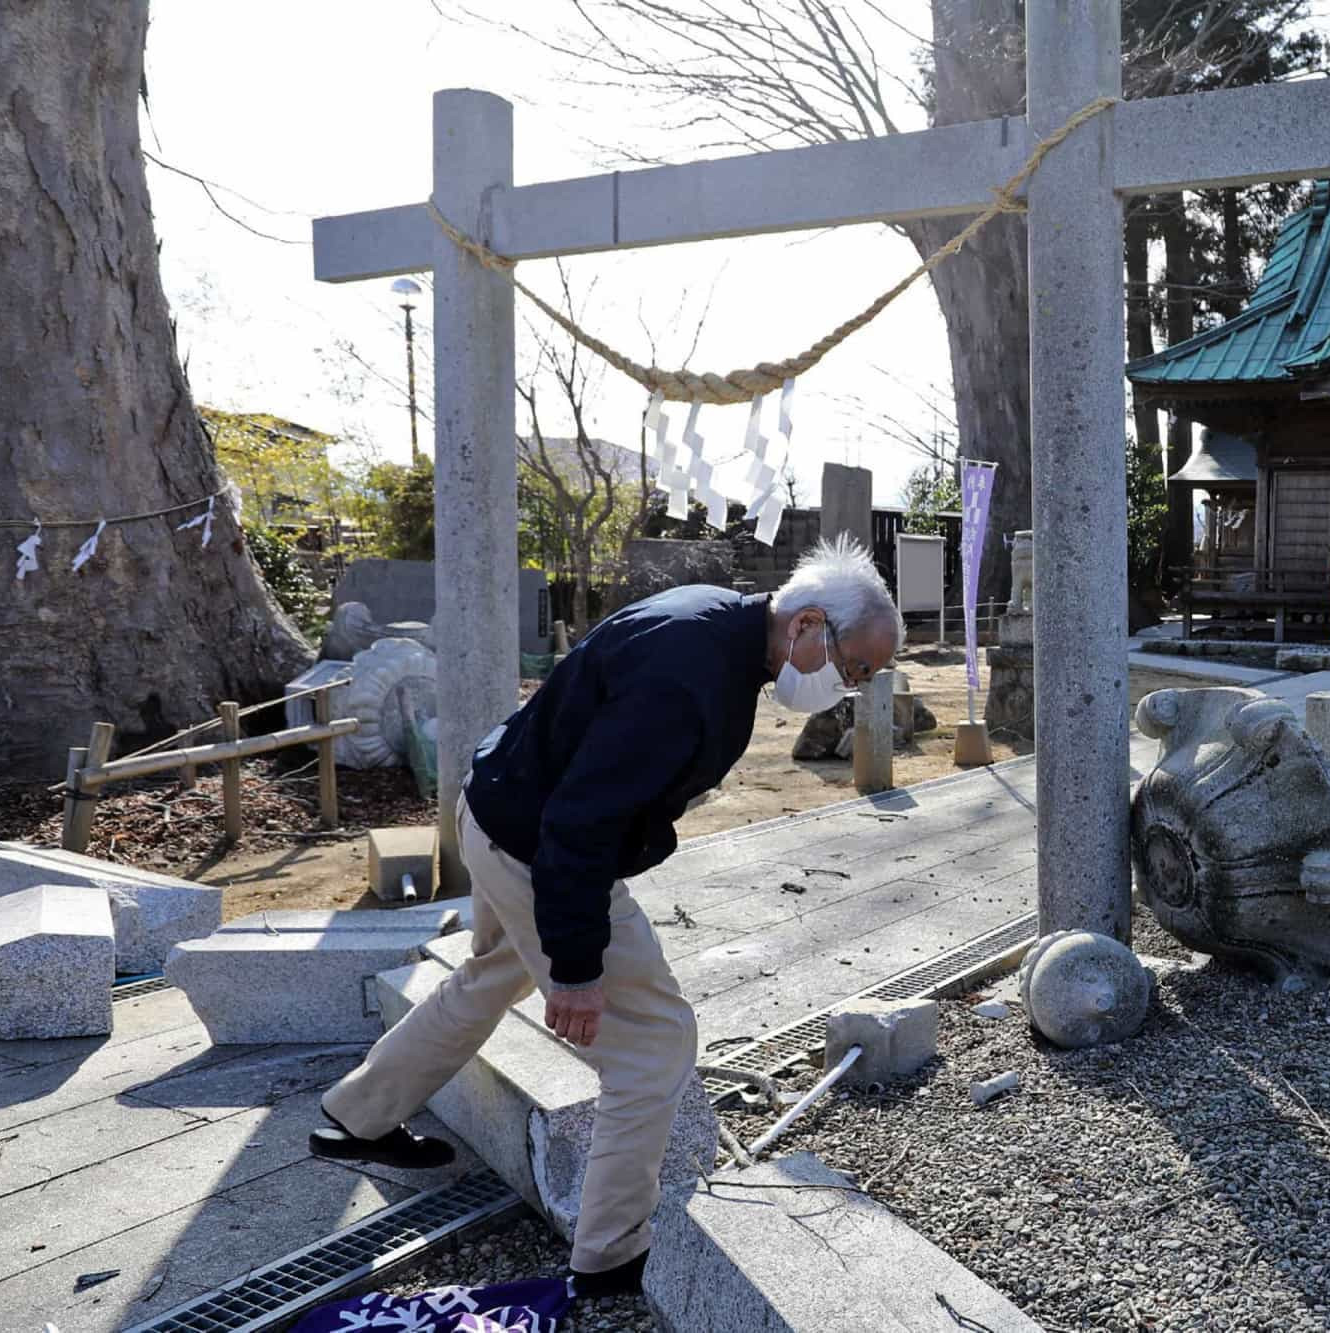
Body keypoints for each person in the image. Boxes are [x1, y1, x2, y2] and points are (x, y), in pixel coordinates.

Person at [308, 538, 902, 1297]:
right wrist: (579, 970)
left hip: (497, 805)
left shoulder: (714, 622)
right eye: (855, 671)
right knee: (655, 1040)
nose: (849, 688)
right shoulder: (689, 679)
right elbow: (580, 827)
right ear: (810, 624)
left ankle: (355, 1113)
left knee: (491, 974)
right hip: (539, 846)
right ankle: (611, 1255)